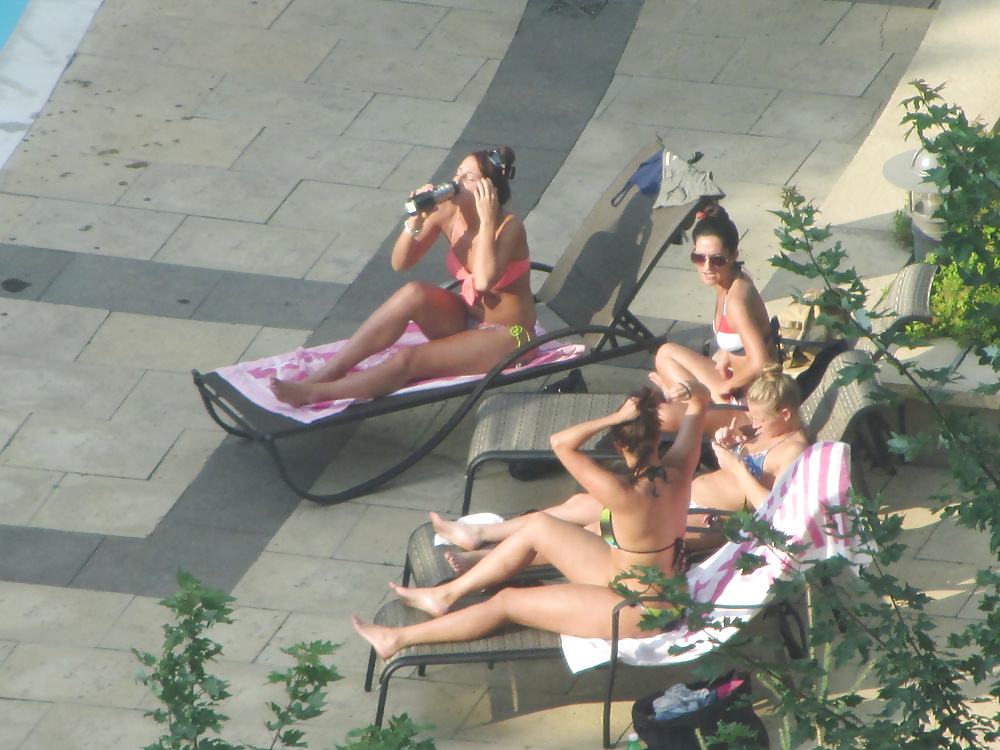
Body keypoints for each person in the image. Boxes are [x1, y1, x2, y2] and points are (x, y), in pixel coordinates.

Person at [351, 378, 713, 660]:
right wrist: (691, 391)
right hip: (641, 581)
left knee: (508, 601)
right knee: (539, 525)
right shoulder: (680, 469)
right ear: (659, 437)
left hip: (639, 610)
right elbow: (702, 401)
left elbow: (560, 443)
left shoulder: (623, 495)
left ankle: (397, 638)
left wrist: (615, 417)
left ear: (619, 445)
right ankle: (445, 594)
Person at [431, 364, 809, 564]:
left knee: (600, 531)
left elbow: (771, 512)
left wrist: (736, 465)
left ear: (787, 413)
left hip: (705, 519)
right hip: (683, 495)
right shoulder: (768, 432)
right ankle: (480, 535)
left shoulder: (793, 451)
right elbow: (707, 410)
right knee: (579, 505)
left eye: (760, 418)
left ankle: (487, 559)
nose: (753, 422)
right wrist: (731, 445)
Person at [270, 147, 536, 407]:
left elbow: (483, 282)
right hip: (464, 319)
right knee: (412, 293)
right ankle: (329, 372)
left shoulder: (508, 226)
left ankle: (317, 394)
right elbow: (401, 263)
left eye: (468, 178)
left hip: (511, 335)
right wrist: (416, 221)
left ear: (488, 190)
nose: (456, 182)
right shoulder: (448, 213)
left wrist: (488, 220)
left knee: (409, 358)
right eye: (458, 173)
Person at [653, 202, 780, 434]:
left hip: (753, 405)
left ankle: (693, 404)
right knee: (666, 353)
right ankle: (692, 402)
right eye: (699, 258)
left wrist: (726, 386)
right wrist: (725, 354)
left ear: (733, 256)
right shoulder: (727, 282)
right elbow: (741, 335)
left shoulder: (736, 299)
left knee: (659, 419)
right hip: (737, 389)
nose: (707, 266)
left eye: (717, 260)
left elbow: (762, 363)